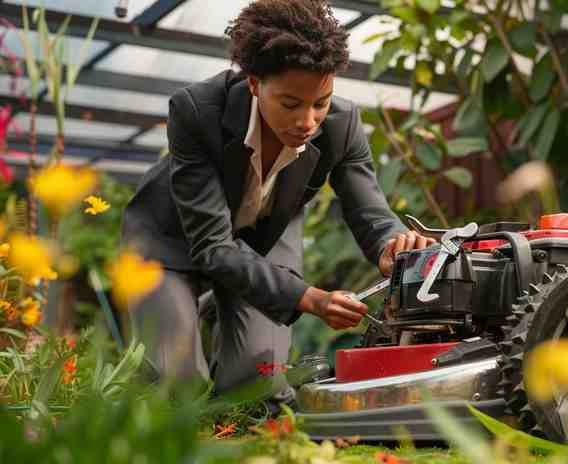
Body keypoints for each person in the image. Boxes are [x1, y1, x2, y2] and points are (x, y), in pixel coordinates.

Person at [121, 0, 433, 398]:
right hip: (170, 241)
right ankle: (198, 307)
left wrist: (392, 244)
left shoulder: (342, 125)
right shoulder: (196, 109)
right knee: (175, 389)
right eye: (290, 104)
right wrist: (311, 298)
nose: (307, 122)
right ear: (254, 83)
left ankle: (219, 306)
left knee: (255, 387)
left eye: (320, 103)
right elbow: (213, 246)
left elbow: (369, 210)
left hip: (263, 242)